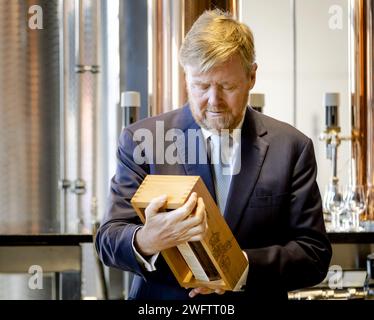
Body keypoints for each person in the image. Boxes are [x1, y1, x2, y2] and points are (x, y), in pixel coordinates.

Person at [95, 9, 332, 301]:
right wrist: (146, 240)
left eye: (227, 86)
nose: (213, 101)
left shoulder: (292, 147)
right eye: (201, 86)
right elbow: (107, 240)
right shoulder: (142, 141)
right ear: (186, 78)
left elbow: (314, 254)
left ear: (252, 76)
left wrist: (241, 269)